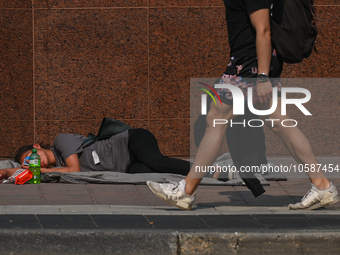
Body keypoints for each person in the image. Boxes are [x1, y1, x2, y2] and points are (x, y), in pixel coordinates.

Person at [146, 0, 339, 210]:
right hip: (252, 62)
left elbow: (263, 29)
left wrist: (263, 76)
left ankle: (186, 190)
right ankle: (322, 185)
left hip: (250, 65)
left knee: (216, 119)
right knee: (279, 122)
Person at [0, 128, 190, 181]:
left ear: (37, 146)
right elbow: (21, 172)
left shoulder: (62, 141)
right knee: (147, 174)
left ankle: (207, 170)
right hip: (128, 166)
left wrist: (39, 172)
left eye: (32, 156)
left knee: (156, 162)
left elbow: (74, 170)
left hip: (131, 142)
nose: (35, 162)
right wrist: (6, 173)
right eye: (29, 162)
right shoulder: (56, 168)